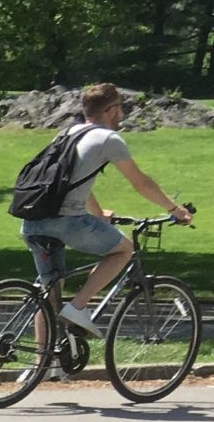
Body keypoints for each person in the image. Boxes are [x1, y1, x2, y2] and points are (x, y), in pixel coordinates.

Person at [15, 82, 195, 332]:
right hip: (66, 222)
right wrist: (176, 210)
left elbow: (67, 181)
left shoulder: (67, 133)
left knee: (50, 292)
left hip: (33, 220)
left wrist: (99, 215)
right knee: (124, 251)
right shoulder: (109, 138)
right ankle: (78, 307)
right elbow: (141, 183)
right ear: (111, 109)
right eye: (121, 108)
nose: (122, 114)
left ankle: (44, 365)